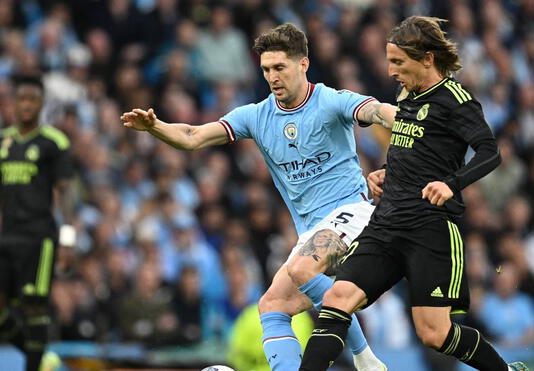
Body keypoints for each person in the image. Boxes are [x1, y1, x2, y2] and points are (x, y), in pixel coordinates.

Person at [121, 23, 395, 371]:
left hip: (353, 212)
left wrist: (400, 118)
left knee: (300, 268)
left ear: (303, 64)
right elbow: (192, 136)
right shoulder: (255, 116)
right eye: (266, 69)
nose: (272, 77)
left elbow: (374, 110)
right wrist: (155, 127)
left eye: (279, 67)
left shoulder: (330, 101)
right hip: (310, 230)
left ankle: (364, 358)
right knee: (272, 306)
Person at [299, 17, 529, 371]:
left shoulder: (456, 100)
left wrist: (452, 183)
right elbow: (419, 151)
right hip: (387, 222)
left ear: (427, 59)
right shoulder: (407, 95)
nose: (391, 71)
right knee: (336, 297)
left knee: (434, 334)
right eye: (390, 61)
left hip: (430, 228)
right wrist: (388, 174)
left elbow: (489, 151)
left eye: (398, 62)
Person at [0, 75, 75, 371]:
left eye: (33, 99)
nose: (27, 105)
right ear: (13, 103)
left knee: (34, 307)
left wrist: (67, 238)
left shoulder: (53, 142)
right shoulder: (3, 142)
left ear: (42, 104)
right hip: (7, 236)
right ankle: (40, 358)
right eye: (22, 98)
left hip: (39, 236)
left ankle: (33, 365)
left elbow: (65, 193)